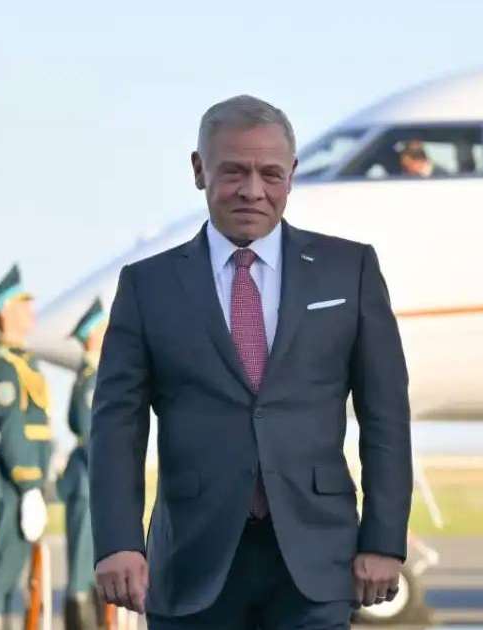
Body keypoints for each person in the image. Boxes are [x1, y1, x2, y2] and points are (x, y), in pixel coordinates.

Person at [90, 94, 413, 629]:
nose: (252, 191)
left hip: (315, 561)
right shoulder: (147, 286)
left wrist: (383, 540)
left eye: (270, 174)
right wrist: (118, 542)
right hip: (191, 561)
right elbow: (115, 427)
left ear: (292, 175)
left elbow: (386, 418)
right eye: (234, 172)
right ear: (199, 170)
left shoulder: (348, 271)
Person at [0, 265, 54, 630]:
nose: (31, 311)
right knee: (0, 579)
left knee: (23, 579)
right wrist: (27, 486)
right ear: (6, 311)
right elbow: (12, 431)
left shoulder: (25, 361)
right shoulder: (3, 367)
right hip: (12, 485)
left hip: (29, 483)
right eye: (24, 304)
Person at [58, 297, 107, 630]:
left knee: (90, 566)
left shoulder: (94, 374)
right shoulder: (91, 379)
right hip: (87, 482)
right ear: (93, 335)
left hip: (90, 481)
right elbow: (93, 437)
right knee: (80, 568)